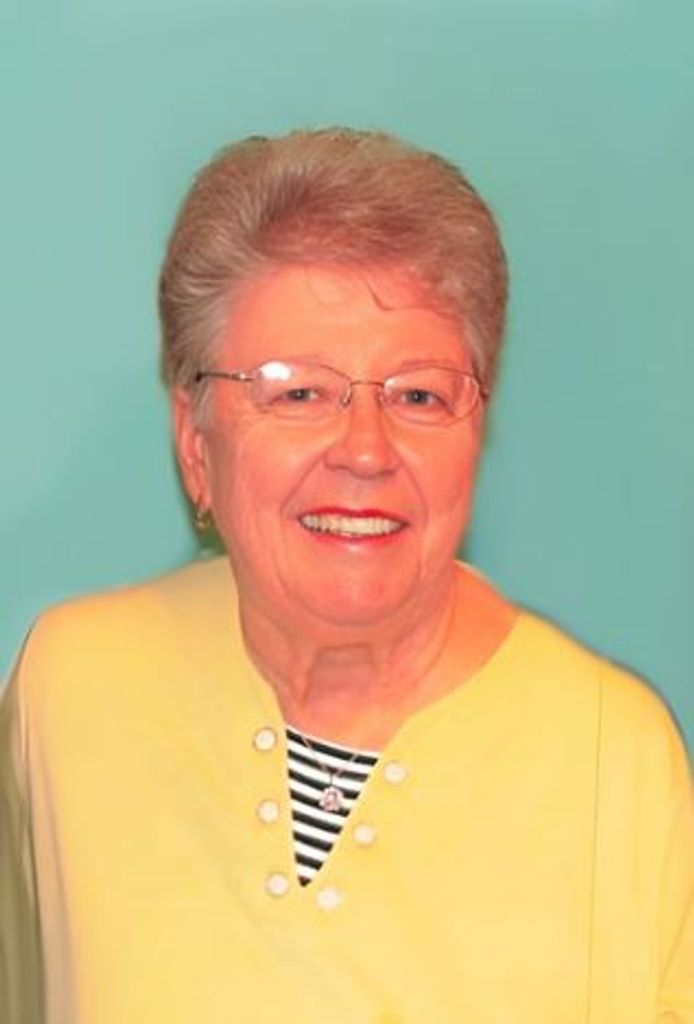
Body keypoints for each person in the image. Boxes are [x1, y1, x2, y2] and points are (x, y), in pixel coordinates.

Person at [1, 128, 692, 1024]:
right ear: (195, 444)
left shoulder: (613, 756)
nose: (366, 449)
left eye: (419, 394)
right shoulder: (71, 692)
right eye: (297, 391)